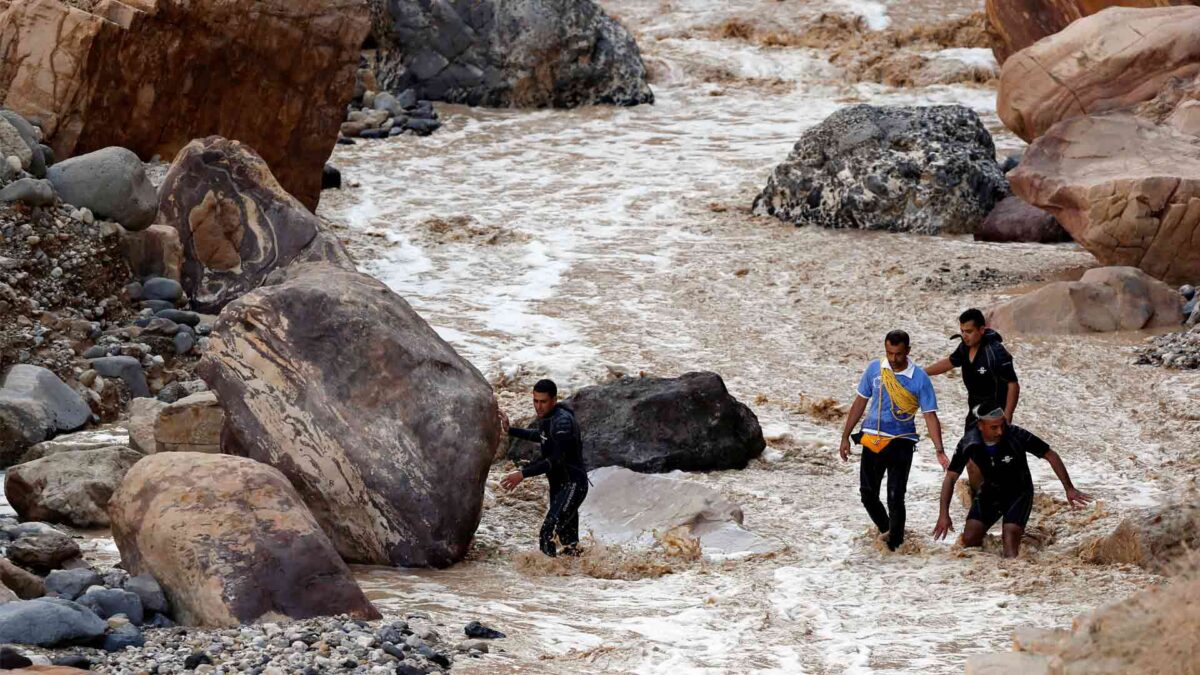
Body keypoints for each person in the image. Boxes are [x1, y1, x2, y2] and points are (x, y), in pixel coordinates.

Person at [932, 406, 1090, 558]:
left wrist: (1069, 488)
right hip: (991, 491)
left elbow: (1050, 455)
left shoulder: (1016, 434)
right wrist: (943, 514)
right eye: (994, 427)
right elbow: (950, 478)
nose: (1000, 431)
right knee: (969, 541)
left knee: (1010, 552)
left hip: (1019, 492)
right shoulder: (969, 442)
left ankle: (1018, 559)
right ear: (981, 425)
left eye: (1002, 425)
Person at [840, 330, 948, 551]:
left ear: (908, 351)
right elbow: (860, 402)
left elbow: (930, 415)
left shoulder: (919, 378)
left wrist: (939, 450)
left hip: (901, 440)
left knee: (895, 496)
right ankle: (887, 531)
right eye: (889, 353)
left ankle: (896, 545)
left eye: (898, 354)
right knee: (867, 494)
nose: (893, 359)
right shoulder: (875, 369)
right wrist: (845, 437)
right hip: (872, 437)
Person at [926, 308, 1020, 491]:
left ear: (981, 330)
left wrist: (1007, 416)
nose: (964, 336)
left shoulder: (996, 352)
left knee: (994, 461)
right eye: (962, 331)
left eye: (968, 331)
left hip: (994, 416)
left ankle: (1002, 498)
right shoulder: (965, 347)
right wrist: (922, 373)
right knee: (971, 461)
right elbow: (950, 362)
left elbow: (1013, 385)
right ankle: (981, 502)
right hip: (974, 414)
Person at [499, 379, 589, 557]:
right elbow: (541, 436)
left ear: (554, 400)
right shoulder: (548, 417)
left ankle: (546, 580)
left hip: (572, 485)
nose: (538, 407)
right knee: (568, 543)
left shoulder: (563, 423)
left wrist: (522, 474)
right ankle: (575, 579)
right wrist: (510, 430)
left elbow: (555, 460)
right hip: (559, 486)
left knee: (547, 533)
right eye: (535, 401)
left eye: (543, 402)